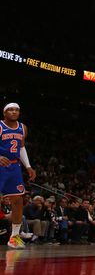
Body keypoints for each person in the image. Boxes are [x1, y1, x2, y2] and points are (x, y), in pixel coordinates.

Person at [0, 103, 36, 249]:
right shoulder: (0, 126)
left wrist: (28, 166)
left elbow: (21, 148)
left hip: (14, 166)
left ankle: (14, 237)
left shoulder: (23, 128)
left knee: (18, 200)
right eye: (10, 110)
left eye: (17, 110)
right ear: (4, 113)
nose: (14, 112)